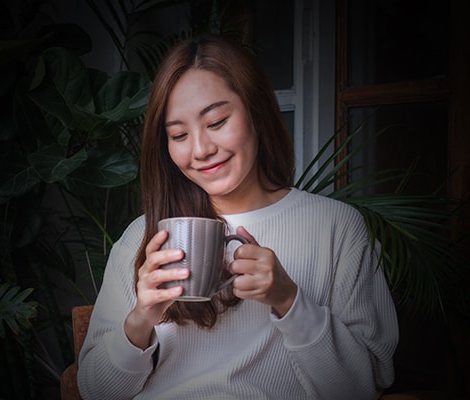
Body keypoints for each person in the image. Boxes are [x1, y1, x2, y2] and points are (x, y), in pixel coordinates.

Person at [76, 33, 398, 400]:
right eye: (179, 135)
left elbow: (364, 387)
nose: (201, 150)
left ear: (256, 110)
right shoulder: (143, 237)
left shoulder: (336, 227)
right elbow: (94, 391)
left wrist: (290, 301)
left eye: (216, 122)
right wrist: (141, 320)